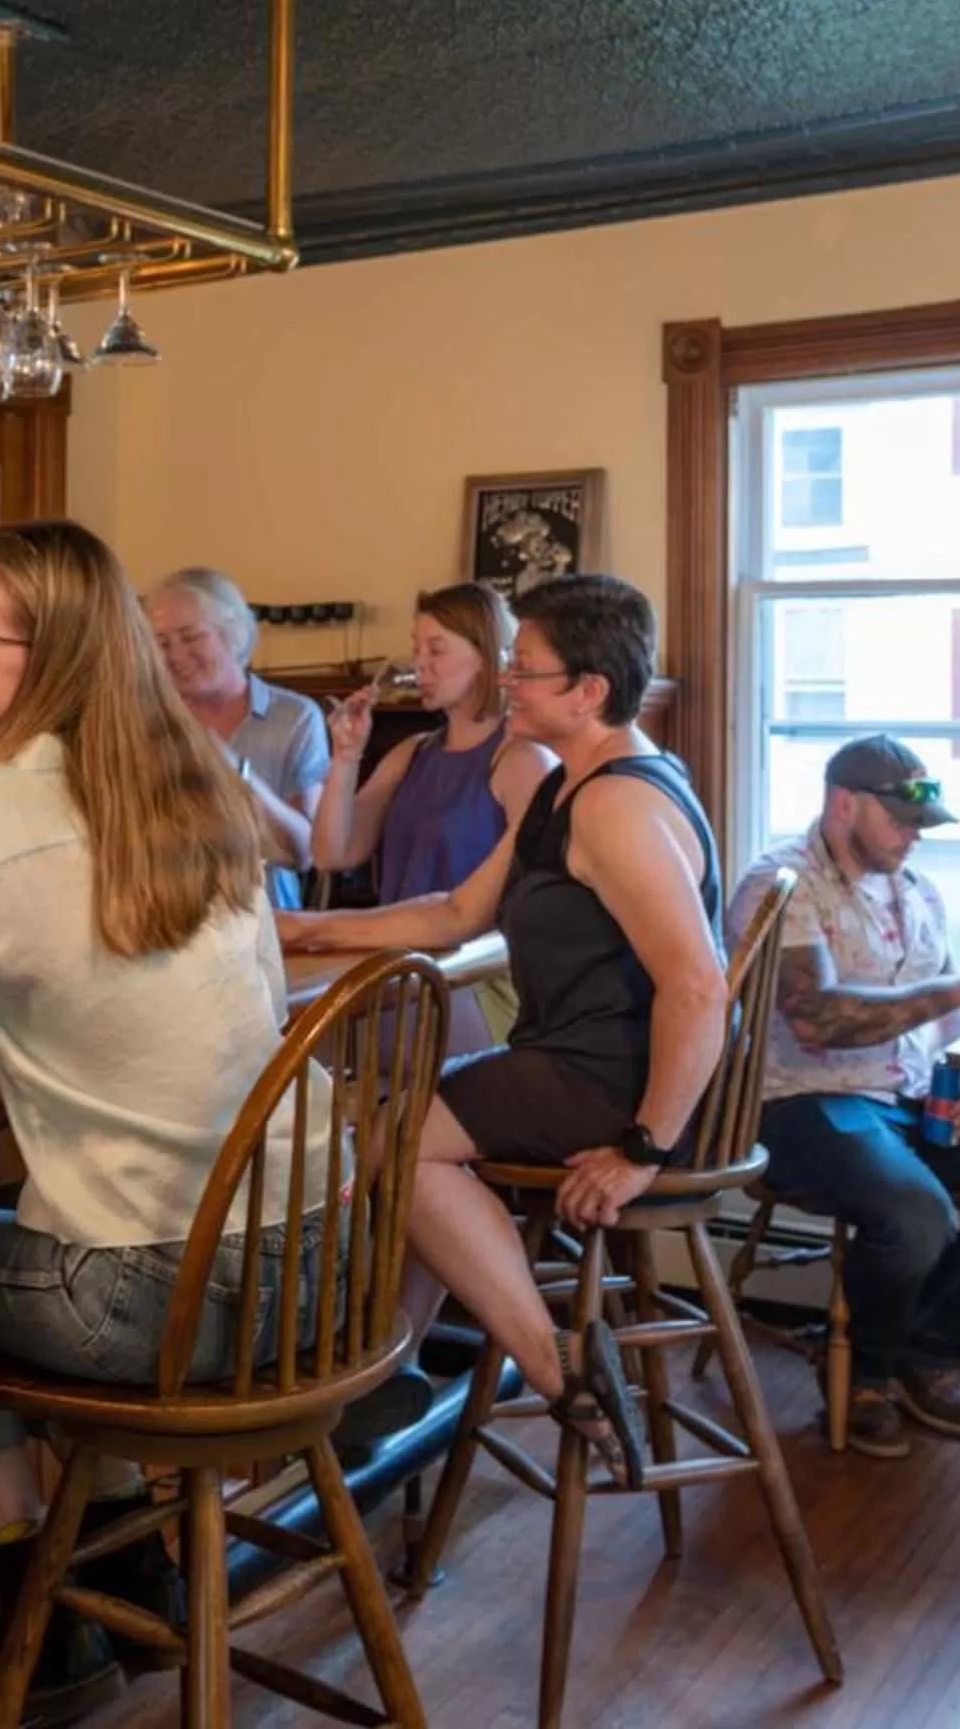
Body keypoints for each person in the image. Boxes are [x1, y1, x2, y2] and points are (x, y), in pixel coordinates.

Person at [0, 520, 328, 1726]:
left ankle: (39, 1596)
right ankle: (115, 1547)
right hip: (324, 1270)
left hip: (163, 1304)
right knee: (23, 1219)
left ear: (52, 655)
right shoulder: (201, 781)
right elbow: (264, 1000)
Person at [279, 573, 723, 1484]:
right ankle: (387, 1369)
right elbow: (452, 913)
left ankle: (553, 1364)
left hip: (615, 1080)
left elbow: (697, 988)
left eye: (525, 671)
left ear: (589, 691)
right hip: (580, 1061)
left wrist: (643, 1146)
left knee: (391, 1138)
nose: (508, 685)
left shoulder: (616, 805)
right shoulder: (571, 790)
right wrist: (301, 928)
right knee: (405, 1134)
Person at [732, 735, 960, 1459]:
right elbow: (819, 1018)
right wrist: (955, 990)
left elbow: (944, 1027)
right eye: (900, 821)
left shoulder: (916, 889)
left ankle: (919, 1345)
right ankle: (868, 1375)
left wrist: (954, 1093)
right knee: (915, 1210)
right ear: (845, 803)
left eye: (920, 825)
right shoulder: (779, 883)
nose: (912, 838)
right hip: (805, 1100)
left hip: (906, 1092)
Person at [315, 582, 555, 1052]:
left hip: (480, 979)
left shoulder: (521, 759)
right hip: (405, 971)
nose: (419, 664)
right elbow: (332, 853)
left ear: (486, 656)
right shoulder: (412, 752)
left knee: (307, 1045)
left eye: (436, 650)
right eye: (415, 648)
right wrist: (346, 755)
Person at [146, 565, 329, 911]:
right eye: (161, 642)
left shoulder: (293, 717)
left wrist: (235, 772)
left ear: (233, 634)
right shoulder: (144, 720)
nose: (175, 655)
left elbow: (303, 853)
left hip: (268, 920)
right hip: (165, 918)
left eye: (190, 637)